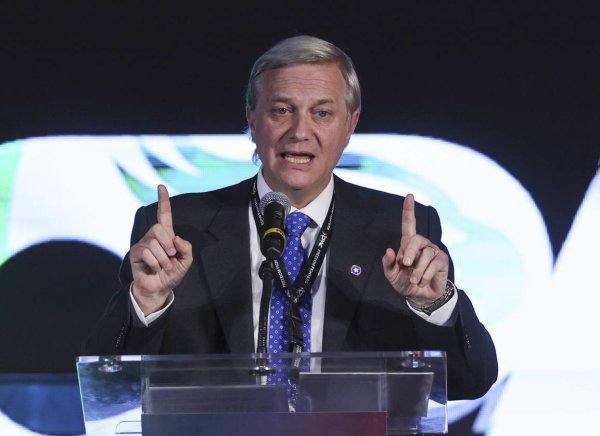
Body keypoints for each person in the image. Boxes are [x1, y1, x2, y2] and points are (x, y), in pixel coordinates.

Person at [83, 35, 497, 401]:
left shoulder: (401, 232)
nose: (300, 131)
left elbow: (470, 381)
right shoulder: (175, 231)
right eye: (281, 110)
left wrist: (432, 304)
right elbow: (108, 390)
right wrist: (147, 303)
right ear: (252, 119)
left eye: (322, 113)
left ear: (350, 124)